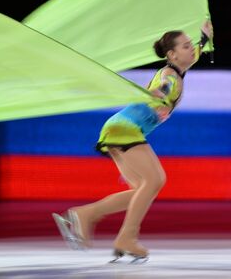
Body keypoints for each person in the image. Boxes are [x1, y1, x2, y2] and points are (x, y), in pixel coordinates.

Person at [55, 20, 214, 262]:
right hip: (125, 129)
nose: (191, 49)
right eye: (185, 46)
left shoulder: (180, 67)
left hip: (118, 128)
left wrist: (204, 37)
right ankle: (127, 237)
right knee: (155, 180)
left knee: (142, 190)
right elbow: (164, 86)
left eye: (190, 45)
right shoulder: (169, 75)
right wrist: (157, 92)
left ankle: (84, 214)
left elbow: (195, 56)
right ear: (171, 54)